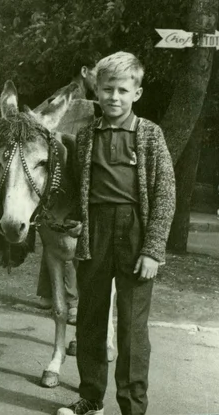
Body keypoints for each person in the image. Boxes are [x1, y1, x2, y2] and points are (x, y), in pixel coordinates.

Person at [57, 51, 175, 415]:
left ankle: (133, 407)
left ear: (136, 93)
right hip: (95, 231)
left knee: (132, 328)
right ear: (96, 87)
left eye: (123, 90)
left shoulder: (150, 135)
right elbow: (79, 186)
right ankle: (91, 398)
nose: (114, 97)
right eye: (107, 88)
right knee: (91, 319)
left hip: (135, 232)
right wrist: (74, 220)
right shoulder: (85, 135)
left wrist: (153, 250)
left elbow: (165, 194)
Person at [35, 51, 101, 323]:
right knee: (65, 237)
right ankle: (71, 302)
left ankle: (51, 295)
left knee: (58, 238)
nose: (102, 79)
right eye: (99, 72)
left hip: (71, 174)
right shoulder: (71, 95)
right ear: (85, 70)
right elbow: (40, 118)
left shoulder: (85, 98)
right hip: (65, 176)